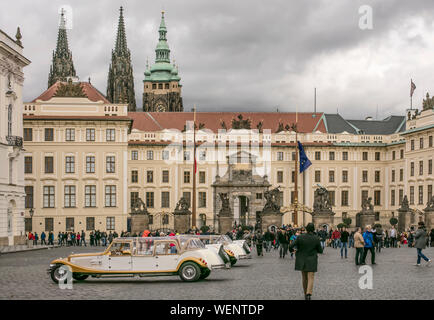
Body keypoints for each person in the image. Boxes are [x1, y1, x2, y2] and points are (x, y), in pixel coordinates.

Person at [288, 223, 323, 300]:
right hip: (312, 260)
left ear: (306, 229)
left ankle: (305, 293)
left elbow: (290, 246)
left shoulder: (300, 237)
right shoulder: (316, 238)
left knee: (304, 278)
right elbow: (320, 250)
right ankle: (308, 293)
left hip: (301, 259)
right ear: (313, 229)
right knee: (311, 277)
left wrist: (292, 250)